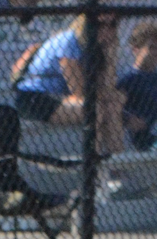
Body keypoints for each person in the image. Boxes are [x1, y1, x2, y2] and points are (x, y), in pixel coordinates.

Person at [13, 15, 123, 153]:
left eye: (112, 24)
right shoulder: (69, 40)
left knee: (113, 104)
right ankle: (94, 160)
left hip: (62, 98)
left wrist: (110, 57)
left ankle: (117, 158)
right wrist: (105, 95)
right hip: (36, 98)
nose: (106, 30)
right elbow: (78, 91)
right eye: (100, 24)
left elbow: (107, 87)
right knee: (95, 109)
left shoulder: (96, 47)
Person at [117, 19, 157, 152]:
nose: (156, 52)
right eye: (151, 48)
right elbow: (115, 107)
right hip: (145, 139)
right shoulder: (128, 79)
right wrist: (129, 118)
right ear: (136, 49)